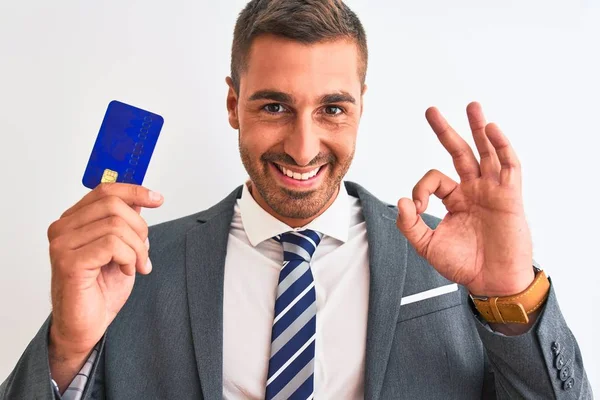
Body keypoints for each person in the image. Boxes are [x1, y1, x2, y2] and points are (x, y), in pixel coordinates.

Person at [0, 0, 592, 399]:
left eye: (332, 108)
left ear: (362, 105)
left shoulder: (451, 260)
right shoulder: (132, 267)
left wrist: (511, 294)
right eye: (274, 106)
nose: (304, 147)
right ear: (233, 105)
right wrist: (67, 348)